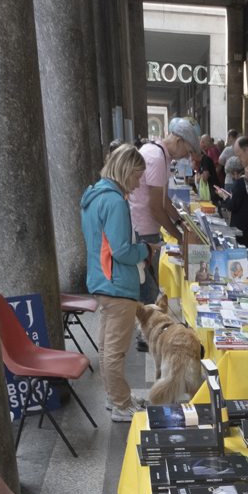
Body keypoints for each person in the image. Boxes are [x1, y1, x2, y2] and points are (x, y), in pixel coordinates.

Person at [81, 144, 152, 422]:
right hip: (118, 284)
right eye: (136, 176)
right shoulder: (114, 201)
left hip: (101, 280)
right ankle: (122, 405)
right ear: (125, 170)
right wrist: (144, 250)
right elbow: (121, 250)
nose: (136, 185)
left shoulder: (94, 196)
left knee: (106, 345)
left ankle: (115, 397)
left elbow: (102, 242)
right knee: (116, 350)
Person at [129, 116, 201, 312]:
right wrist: (180, 236)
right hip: (143, 230)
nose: (186, 157)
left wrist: (180, 222)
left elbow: (164, 200)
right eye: (187, 151)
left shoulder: (161, 154)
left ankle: (145, 339)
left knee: (149, 288)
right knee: (149, 292)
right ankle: (144, 342)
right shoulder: (155, 157)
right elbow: (156, 207)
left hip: (145, 228)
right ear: (178, 141)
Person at [226, 157, 248, 239]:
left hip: (240, 223)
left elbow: (233, 205)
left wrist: (225, 198)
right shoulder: (246, 180)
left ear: (235, 173)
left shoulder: (240, 183)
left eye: (231, 175)